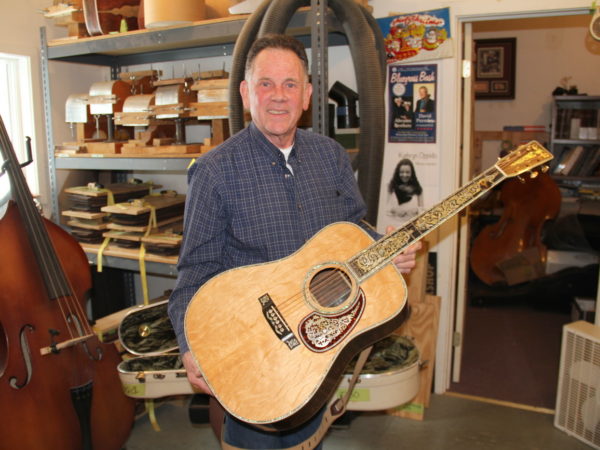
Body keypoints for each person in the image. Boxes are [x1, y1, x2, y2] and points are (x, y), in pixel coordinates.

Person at [168, 33, 420, 449]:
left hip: (316, 349)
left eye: (290, 85)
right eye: (266, 84)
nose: (278, 97)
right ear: (247, 93)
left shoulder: (331, 156)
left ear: (307, 96)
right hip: (254, 355)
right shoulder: (214, 172)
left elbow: (353, 229)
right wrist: (189, 343)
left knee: (310, 439)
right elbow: (194, 273)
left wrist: (385, 249)